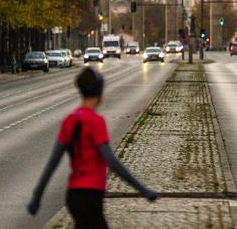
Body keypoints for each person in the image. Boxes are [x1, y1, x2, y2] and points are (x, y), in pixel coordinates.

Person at [27, 67, 157, 228]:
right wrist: (143, 190)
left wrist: (37, 196)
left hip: (73, 195)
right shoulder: (96, 122)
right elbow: (112, 162)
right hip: (90, 196)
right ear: (100, 92)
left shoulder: (69, 121)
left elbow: (53, 162)